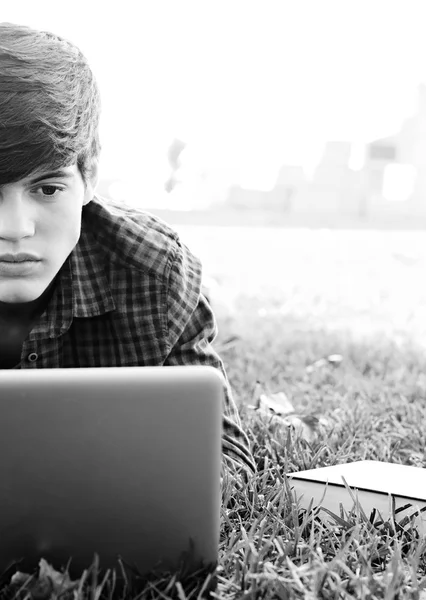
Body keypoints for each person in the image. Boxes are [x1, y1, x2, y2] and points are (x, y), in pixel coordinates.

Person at [0, 22, 256, 480]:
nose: (14, 229)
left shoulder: (153, 273)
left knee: (221, 314)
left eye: (47, 188)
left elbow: (225, 455)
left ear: (89, 176)